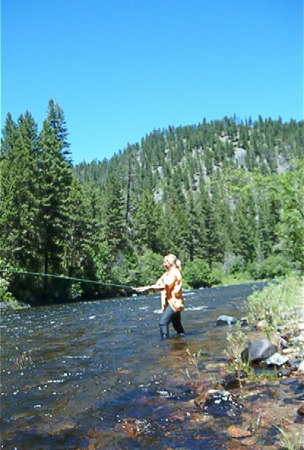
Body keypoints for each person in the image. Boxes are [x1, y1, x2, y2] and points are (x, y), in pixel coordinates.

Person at [136, 254, 185, 338]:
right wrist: (143, 288)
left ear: (170, 263)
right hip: (171, 302)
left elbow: (165, 286)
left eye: (165, 262)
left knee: (162, 323)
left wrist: (148, 288)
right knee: (177, 325)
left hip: (175, 303)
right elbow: (158, 284)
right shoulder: (166, 274)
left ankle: (165, 343)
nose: (164, 264)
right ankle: (182, 342)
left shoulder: (175, 272)